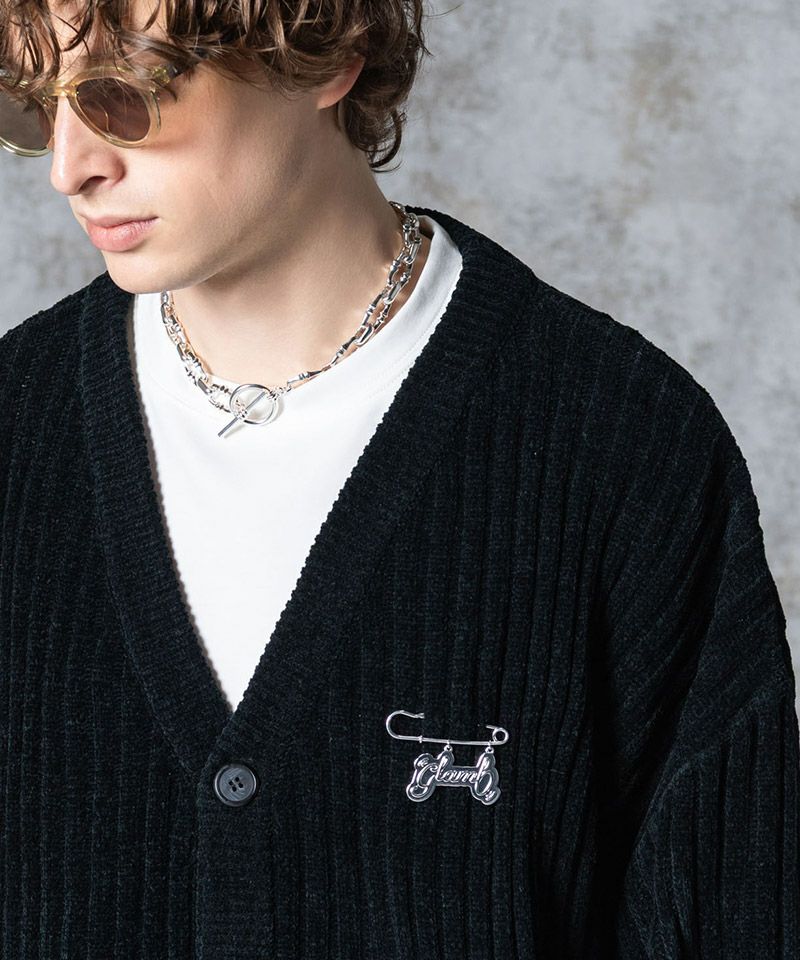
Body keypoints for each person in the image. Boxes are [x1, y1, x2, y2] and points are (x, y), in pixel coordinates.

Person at [0, 1, 797, 958]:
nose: (69, 167)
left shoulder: (625, 450)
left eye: (124, 94)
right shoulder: (17, 432)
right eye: (34, 104)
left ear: (325, 52)